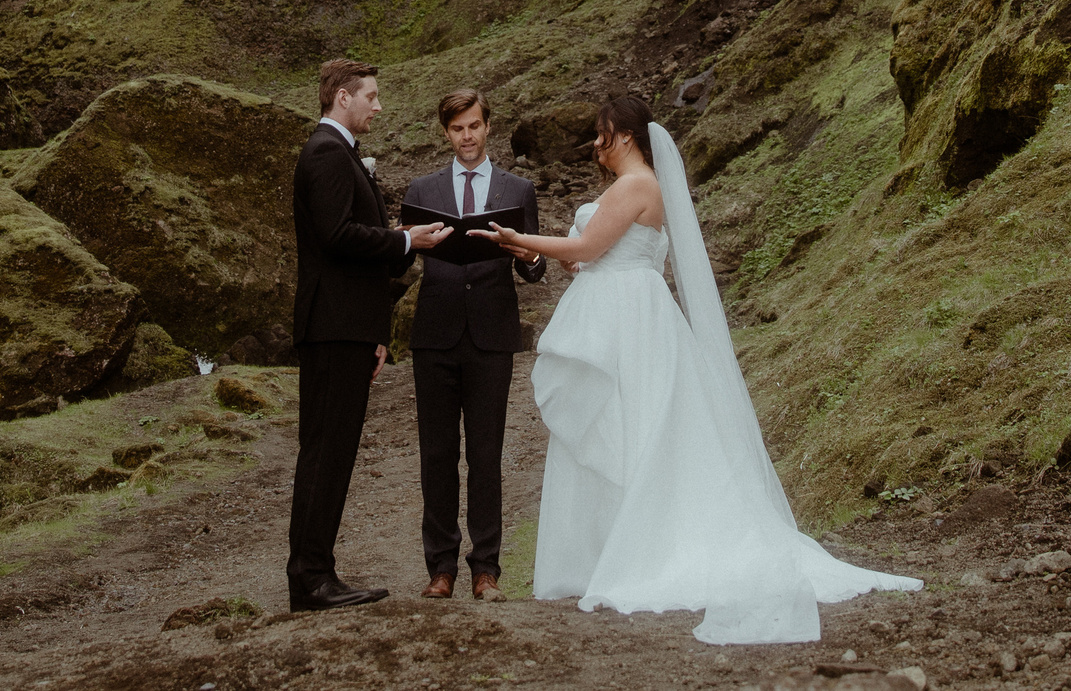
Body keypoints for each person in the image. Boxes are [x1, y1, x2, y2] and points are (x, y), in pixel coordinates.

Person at [482, 95, 920, 644]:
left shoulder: (639, 184)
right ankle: (601, 552)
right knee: (621, 428)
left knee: (634, 428)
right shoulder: (634, 188)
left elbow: (591, 243)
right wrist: (570, 257)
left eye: (602, 133)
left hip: (630, 323)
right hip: (619, 313)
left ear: (625, 136)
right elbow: (600, 252)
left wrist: (516, 239)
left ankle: (639, 550)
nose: (596, 144)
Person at [287, 58, 448, 611]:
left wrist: (376, 331)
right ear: (342, 98)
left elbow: (353, 248)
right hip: (333, 326)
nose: (378, 106)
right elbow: (336, 236)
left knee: (332, 452)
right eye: (371, 96)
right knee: (325, 452)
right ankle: (310, 578)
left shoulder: (337, 152)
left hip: (346, 327)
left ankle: (317, 572)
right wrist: (405, 242)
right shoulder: (328, 153)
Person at [402, 89, 545, 600]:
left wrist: (523, 254)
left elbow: (535, 266)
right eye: (458, 128)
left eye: (475, 126)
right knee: (436, 455)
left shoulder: (518, 189)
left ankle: (486, 570)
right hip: (435, 336)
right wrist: (406, 241)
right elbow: (399, 261)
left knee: (487, 455)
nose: (467, 136)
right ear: (446, 132)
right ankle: (440, 569)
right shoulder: (421, 188)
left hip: (491, 335)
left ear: (489, 127)